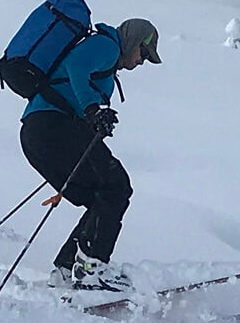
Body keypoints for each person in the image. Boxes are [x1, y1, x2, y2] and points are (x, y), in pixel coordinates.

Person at [19, 16, 162, 291]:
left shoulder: (107, 63)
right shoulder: (107, 45)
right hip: (51, 126)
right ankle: (91, 269)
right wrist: (92, 111)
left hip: (39, 133)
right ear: (133, 41)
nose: (142, 61)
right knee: (116, 186)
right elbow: (76, 65)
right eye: (143, 53)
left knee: (102, 196)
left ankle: (67, 268)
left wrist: (92, 118)